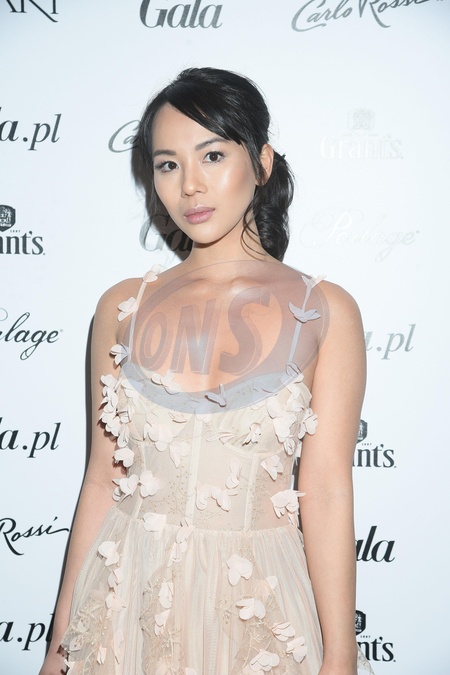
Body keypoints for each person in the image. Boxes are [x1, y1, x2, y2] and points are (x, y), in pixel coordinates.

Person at [39, 67, 374, 675]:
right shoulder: (122, 306)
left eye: (212, 155)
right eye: (168, 165)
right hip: (124, 603)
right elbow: (103, 481)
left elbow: (325, 492)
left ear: (262, 162)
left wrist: (341, 656)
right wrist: (59, 647)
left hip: (257, 608)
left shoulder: (326, 310)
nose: (190, 184)